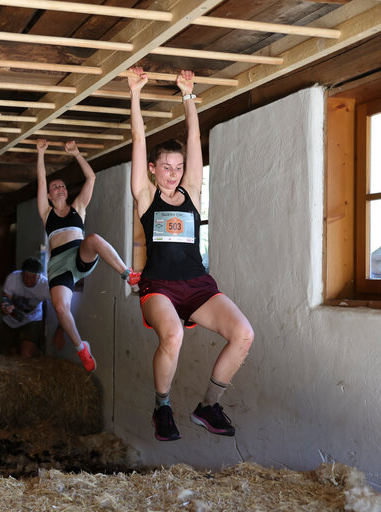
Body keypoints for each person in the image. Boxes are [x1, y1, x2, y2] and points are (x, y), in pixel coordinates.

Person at [128, 67, 254, 441]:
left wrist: (188, 95)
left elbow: (195, 136)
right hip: (159, 287)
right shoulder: (146, 198)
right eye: (165, 167)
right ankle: (162, 407)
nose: (172, 173)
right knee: (173, 337)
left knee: (244, 334)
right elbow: (137, 138)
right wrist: (135, 94)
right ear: (153, 170)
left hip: (198, 284)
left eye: (178, 168)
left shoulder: (192, 194)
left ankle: (208, 406)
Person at [36, 139, 139, 372]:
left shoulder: (78, 207)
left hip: (79, 256)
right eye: (55, 187)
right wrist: (41, 153)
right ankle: (81, 346)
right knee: (61, 308)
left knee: (92, 238)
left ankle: (128, 274)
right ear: (50, 196)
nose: (60, 188)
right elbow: (41, 181)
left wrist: (76, 153)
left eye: (62, 186)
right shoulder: (46, 213)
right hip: (58, 267)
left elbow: (91, 178)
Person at [0, 257, 49, 358]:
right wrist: (6, 308)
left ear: (39, 276)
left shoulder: (45, 286)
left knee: (26, 353)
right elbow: (5, 301)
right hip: (11, 320)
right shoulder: (13, 278)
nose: (27, 280)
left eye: (32, 277)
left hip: (33, 319)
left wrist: (59, 329)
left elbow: (57, 306)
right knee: (11, 354)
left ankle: (39, 354)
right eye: (25, 276)